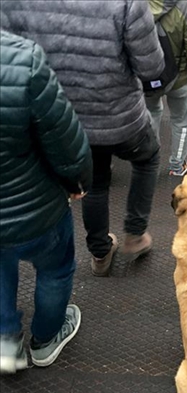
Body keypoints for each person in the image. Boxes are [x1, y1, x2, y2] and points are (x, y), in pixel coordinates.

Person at [1, 0, 166, 278]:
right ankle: (135, 234)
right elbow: (151, 68)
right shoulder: (128, 3)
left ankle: (100, 251)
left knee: (94, 183)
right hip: (121, 118)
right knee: (148, 158)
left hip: (65, 117)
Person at [0, 30, 92, 374]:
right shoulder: (23, 59)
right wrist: (78, 181)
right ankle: (45, 339)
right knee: (55, 268)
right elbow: (63, 139)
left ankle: (6, 340)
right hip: (36, 207)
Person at [145, 0, 187, 177]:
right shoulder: (186, 4)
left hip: (148, 75)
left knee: (151, 113)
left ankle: (150, 160)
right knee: (181, 121)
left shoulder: (135, 4)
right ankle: (177, 165)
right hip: (181, 76)